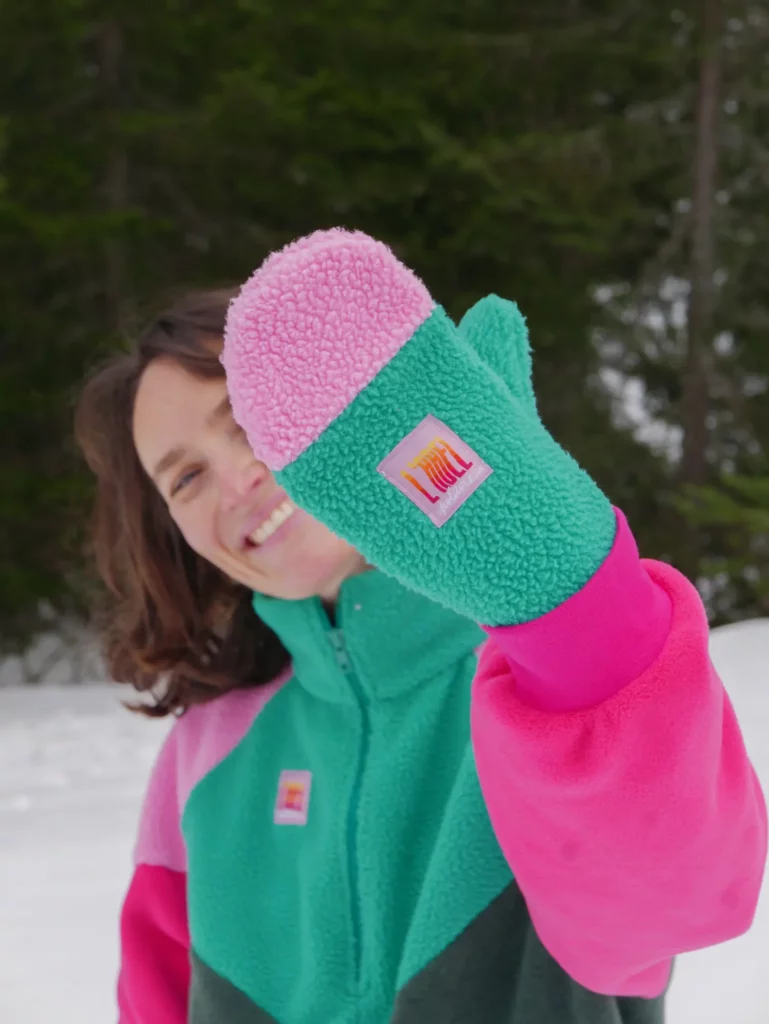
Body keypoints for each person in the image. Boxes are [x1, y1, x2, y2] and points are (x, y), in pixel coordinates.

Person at [76, 231, 767, 1024]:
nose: (235, 482)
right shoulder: (207, 747)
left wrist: (571, 613)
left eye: (243, 422)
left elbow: (669, 906)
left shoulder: (534, 682)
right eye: (187, 477)